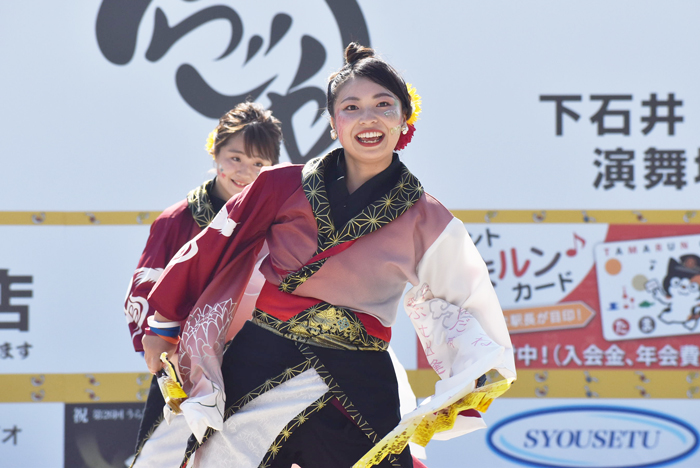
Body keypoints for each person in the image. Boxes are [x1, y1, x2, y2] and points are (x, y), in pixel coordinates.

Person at [141, 43, 516, 468]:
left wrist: (475, 370)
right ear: (334, 122)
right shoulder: (280, 185)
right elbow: (213, 246)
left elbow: (464, 296)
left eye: (383, 105)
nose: (368, 118)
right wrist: (165, 323)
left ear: (404, 118)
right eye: (351, 107)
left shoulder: (427, 218)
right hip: (262, 358)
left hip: (358, 376)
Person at [123, 102, 283, 466]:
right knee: (160, 459)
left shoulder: (281, 219)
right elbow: (145, 290)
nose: (244, 172)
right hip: (184, 364)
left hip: (258, 362)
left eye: (259, 164)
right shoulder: (177, 220)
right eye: (235, 158)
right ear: (215, 153)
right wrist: (167, 350)